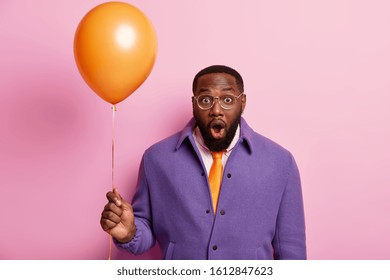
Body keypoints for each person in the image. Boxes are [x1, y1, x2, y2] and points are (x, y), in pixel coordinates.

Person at [100, 65, 306, 260]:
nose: (216, 109)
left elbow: (292, 251)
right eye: (206, 100)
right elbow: (145, 231)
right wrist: (129, 233)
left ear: (242, 103)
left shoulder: (280, 162)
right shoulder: (156, 159)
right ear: (194, 104)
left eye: (227, 99)